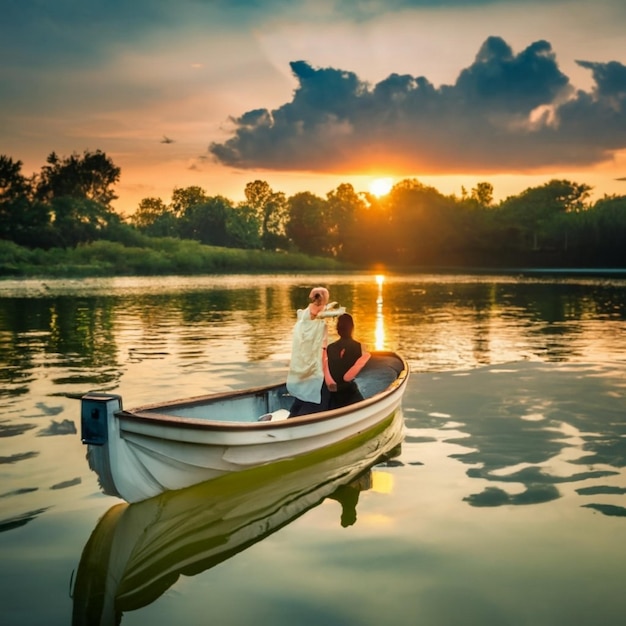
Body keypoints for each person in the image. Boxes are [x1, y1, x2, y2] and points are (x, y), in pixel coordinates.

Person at [286, 287, 336, 417]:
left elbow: (322, 310)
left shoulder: (304, 315)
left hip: (301, 364)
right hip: (315, 366)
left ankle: (292, 417)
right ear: (325, 300)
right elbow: (323, 350)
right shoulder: (320, 322)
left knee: (302, 396)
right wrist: (329, 377)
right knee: (318, 397)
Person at [326, 313, 371, 409]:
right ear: (352, 328)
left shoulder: (329, 348)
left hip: (333, 395)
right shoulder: (361, 347)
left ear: (337, 329)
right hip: (350, 394)